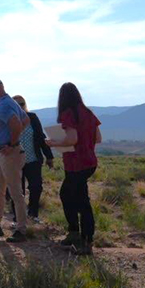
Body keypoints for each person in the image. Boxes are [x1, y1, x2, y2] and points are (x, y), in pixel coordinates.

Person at [46, 82, 102, 255]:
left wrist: (54, 142)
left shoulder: (68, 114)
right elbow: (98, 138)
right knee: (76, 197)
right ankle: (77, 234)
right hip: (89, 162)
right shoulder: (88, 113)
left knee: (77, 200)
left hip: (76, 164)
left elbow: (72, 139)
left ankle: (83, 239)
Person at [0, 79, 28, 241]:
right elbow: (25, 120)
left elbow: (16, 124)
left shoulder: (3, 105)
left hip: (9, 153)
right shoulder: (10, 102)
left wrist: (11, 143)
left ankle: (21, 230)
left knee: (15, 191)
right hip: (5, 153)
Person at [15, 95, 55, 223]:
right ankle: (18, 218)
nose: (19, 107)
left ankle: (33, 214)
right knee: (17, 190)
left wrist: (49, 156)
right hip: (15, 161)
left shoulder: (32, 117)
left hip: (33, 159)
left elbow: (40, 136)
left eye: (21, 104)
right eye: (16, 105)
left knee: (36, 187)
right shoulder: (9, 119)